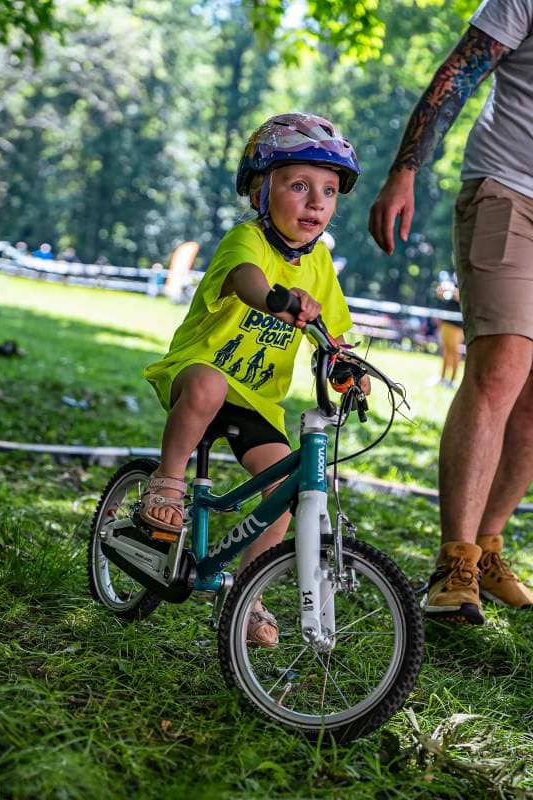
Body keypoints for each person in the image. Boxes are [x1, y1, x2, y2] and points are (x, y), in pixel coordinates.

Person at [143, 113, 368, 647]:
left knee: (286, 492)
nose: (316, 203)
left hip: (257, 401)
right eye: (299, 186)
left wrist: (348, 368)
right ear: (260, 191)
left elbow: (335, 335)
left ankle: (247, 594)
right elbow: (246, 278)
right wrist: (273, 299)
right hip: (199, 371)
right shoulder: (246, 239)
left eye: (329, 191)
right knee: (210, 386)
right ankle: (168, 479)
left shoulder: (320, 265)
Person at [369, 0, 533, 624]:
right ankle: (453, 564)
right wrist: (405, 169)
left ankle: (486, 548)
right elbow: (458, 73)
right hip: (509, 190)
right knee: (501, 367)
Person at [435, 271, 464, 387]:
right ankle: (442, 378)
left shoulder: (466, 279)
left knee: (454, 350)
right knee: (445, 349)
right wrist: (441, 290)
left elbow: (462, 297)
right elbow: (441, 294)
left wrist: (452, 290)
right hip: (446, 322)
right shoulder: (452, 279)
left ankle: (453, 380)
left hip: (458, 324)